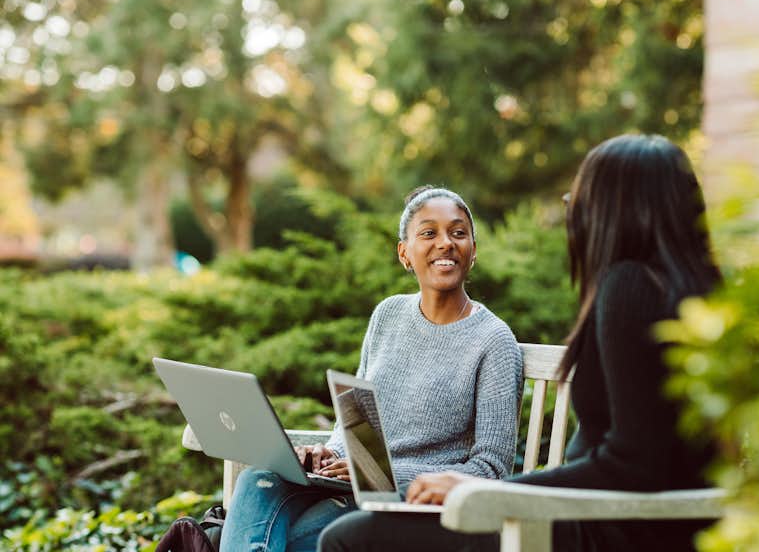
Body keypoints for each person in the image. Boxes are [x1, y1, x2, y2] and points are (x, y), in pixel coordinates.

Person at [319, 134, 722, 552]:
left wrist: (498, 492)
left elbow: (632, 464)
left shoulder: (630, 287)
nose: (572, 208)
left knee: (346, 541)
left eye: (581, 196)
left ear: (618, 209)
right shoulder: (688, 292)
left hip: (602, 527)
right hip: (603, 514)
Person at [219, 186, 523, 552]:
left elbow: (492, 470)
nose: (445, 243)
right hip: (351, 482)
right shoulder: (388, 315)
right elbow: (354, 422)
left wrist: (388, 474)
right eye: (429, 233)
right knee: (258, 477)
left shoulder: (494, 341)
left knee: (286, 541)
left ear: (473, 251)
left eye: (458, 233)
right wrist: (331, 452)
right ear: (404, 253)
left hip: (407, 501)